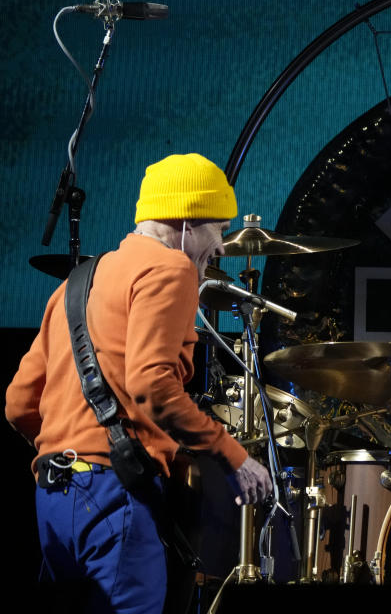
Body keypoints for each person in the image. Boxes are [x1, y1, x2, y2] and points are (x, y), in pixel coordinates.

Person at [6, 153, 272, 613]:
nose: (222, 246)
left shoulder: (78, 281)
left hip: (53, 497)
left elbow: (17, 404)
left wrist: (72, 448)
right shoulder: (172, 269)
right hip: (114, 496)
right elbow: (153, 384)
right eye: (219, 229)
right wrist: (235, 456)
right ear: (188, 223)